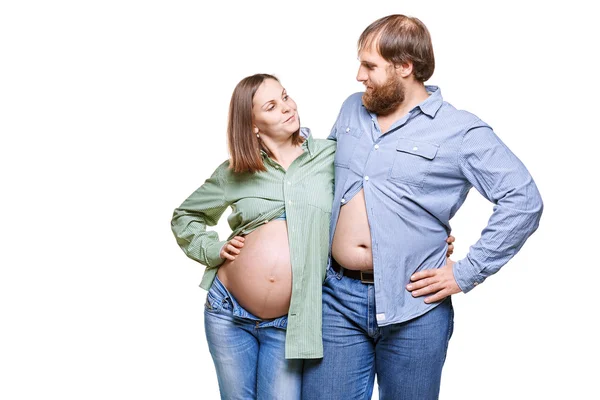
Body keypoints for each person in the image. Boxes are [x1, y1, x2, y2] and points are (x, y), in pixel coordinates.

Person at [302, 14, 544, 400]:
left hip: (415, 308)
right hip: (336, 300)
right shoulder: (352, 109)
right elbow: (323, 176)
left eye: (369, 66)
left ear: (404, 67)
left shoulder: (460, 131)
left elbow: (523, 200)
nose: (358, 75)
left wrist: (466, 272)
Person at [171, 73, 456, 399]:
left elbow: (376, 197)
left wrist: (427, 236)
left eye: (286, 96)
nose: (287, 108)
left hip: (289, 322)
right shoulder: (235, 171)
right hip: (227, 310)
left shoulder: (330, 157)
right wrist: (213, 248)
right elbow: (185, 216)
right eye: (272, 106)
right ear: (252, 125)